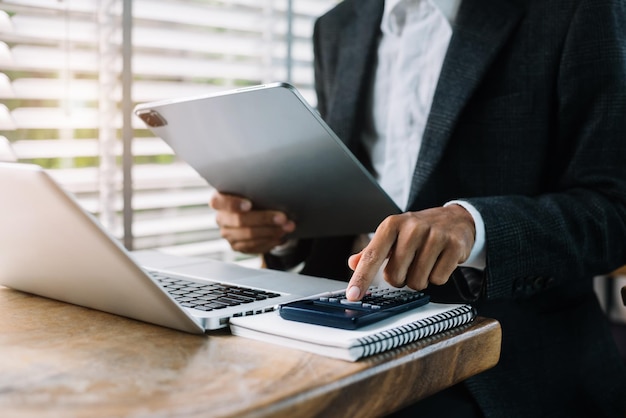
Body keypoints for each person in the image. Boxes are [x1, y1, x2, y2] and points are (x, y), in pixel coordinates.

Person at [210, 0, 626, 416]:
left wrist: (475, 227)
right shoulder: (336, 26)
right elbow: (342, 197)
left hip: (501, 359)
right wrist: (280, 228)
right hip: (332, 328)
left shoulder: (577, 10)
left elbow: (614, 209)